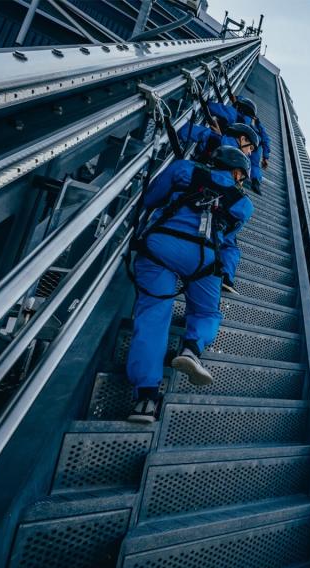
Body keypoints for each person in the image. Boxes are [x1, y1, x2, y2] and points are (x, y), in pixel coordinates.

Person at [126, 146, 253, 423]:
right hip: (203, 258)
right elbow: (228, 234)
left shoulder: (184, 168)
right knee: (207, 313)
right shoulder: (244, 204)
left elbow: (150, 199)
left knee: (154, 315)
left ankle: (146, 398)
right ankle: (191, 349)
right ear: (236, 171)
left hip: (161, 246)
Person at [176, 122, 259, 293]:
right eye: (250, 147)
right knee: (230, 244)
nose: (250, 152)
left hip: (188, 197)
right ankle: (225, 276)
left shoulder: (213, 139)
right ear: (242, 138)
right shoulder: (236, 169)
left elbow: (185, 131)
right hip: (214, 215)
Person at [208, 96, 270, 193]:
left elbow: (212, 107)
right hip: (256, 145)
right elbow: (266, 138)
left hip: (242, 142)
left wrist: (219, 136)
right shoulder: (257, 121)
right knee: (253, 164)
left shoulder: (235, 115)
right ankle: (255, 181)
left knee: (236, 155)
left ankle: (236, 177)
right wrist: (266, 156)